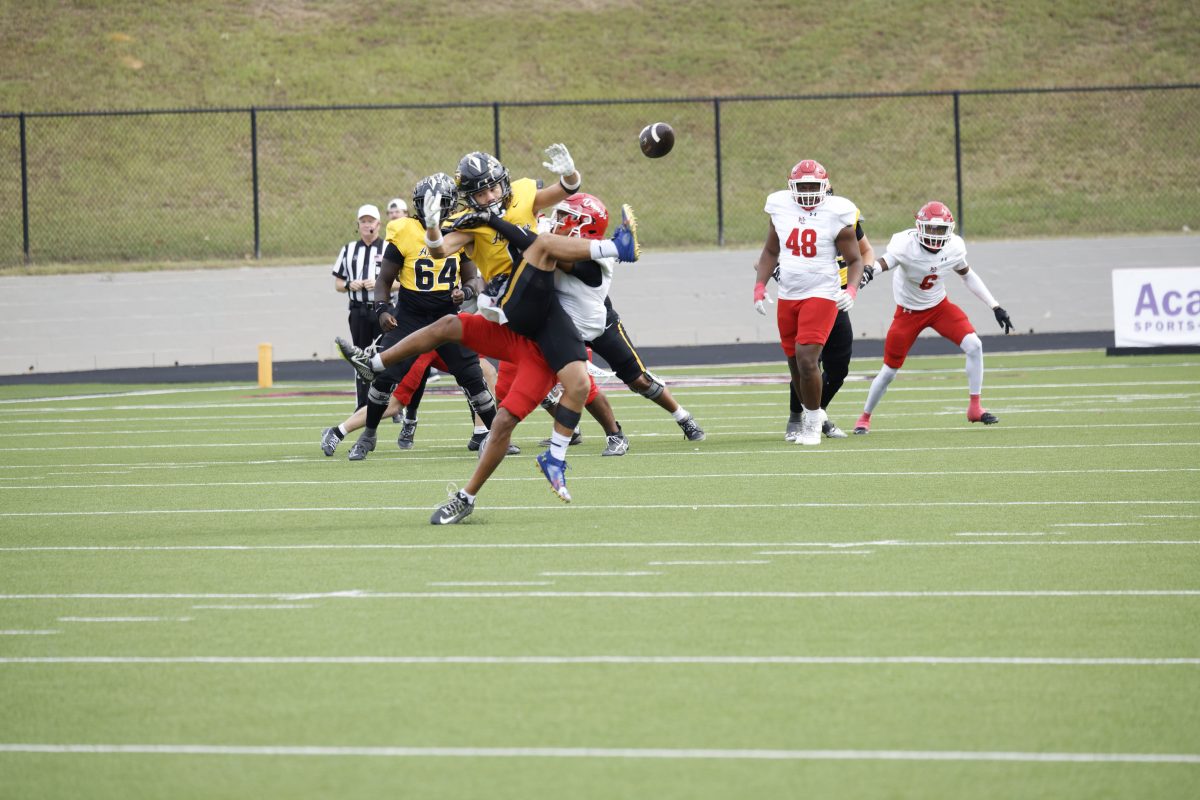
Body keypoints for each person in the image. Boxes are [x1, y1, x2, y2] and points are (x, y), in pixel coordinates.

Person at [421, 146, 640, 496]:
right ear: (469, 196)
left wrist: (569, 175)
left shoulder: (525, 202)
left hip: (556, 307)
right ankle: (547, 459)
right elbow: (438, 250)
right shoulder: (471, 222)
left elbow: (564, 191)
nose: (490, 196)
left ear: (504, 183)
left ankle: (589, 442)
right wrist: (433, 228)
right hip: (519, 308)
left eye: (494, 187)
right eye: (481, 192)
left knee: (577, 384)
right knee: (556, 391)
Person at [337, 313, 559, 524]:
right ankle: (371, 374)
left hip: (539, 342)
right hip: (490, 331)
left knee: (495, 398)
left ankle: (485, 458)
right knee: (446, 333)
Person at [341, 173, 498, 462]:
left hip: (446, 317)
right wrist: (382, 309)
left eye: (439, 203)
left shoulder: (458, 230)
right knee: (385, 378)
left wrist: (464, 291)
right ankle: (368, 435)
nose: (433, 209)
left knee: (473, 377)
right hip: (410, 316)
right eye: (428, 203)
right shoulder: (405, 230)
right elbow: (384, 279)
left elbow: (472, 279)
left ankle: (498, 436)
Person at [540, 193, 705, 453]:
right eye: (558, 214)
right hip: (565, 326)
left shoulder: (594, 256)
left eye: (564, 216)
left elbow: (554, 254)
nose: (556, 220)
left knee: (639, 380)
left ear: (586, 224)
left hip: (599, 324)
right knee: (551, 381)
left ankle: (682, 416)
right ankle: (597, 433)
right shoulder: (553, 239)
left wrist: (526, 235)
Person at [852, 200, 1014, 433]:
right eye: (931, 228)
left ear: (949, 230)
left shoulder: (954, 247)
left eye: (940, 230)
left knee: (974, 345)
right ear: (919, 227)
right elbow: (885, 262)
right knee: (888, 371)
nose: (935, 235)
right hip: (908, 313)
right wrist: (869, 271)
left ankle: (975, 408)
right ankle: (864, 417)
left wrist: (995, 306)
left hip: (939, 308)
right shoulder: (906, 244)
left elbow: (967, 275)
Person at [753, 159, 865, 446]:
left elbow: (856, 259)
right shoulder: (779, 206)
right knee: (794, 362)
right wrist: (760, 285)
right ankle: (812, 416)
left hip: (822, 291)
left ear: (824, 186)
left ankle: (814, 424)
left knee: (807, 359)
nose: (807, 192)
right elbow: (770, 251)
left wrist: (851, 290)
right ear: (791, 187)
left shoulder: (838, 211)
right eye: (801, 186)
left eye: (812, 186)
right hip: (789, 293)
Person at [332, 203, 387, 408]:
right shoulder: (349, 250)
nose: (367, 225)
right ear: (358, 225)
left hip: (382, 310)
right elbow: (338, 284)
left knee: (384, 357)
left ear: (378, 224)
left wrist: (380, 283)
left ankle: (388, 405)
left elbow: (401, 282)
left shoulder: (388, 248)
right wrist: (349, 285)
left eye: (370, 221)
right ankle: (362, 405)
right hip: (358, 310)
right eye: (363, 221)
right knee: (359, 357)